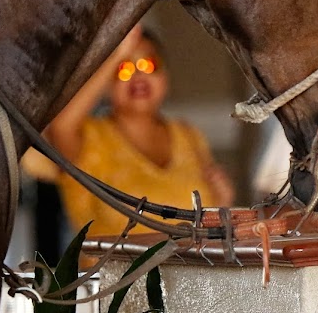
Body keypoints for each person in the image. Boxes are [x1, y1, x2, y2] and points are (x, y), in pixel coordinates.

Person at [47, 25, 235, 240]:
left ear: (165, 77)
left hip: (186, 272)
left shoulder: (188, 135)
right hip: (113, 273)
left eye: (149, 64)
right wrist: (115, 54)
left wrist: (222, 203)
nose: (137, 75)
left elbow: (205, 226)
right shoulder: (89, 137)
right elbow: (60, 127)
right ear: (107, 83)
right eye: (123, 68)